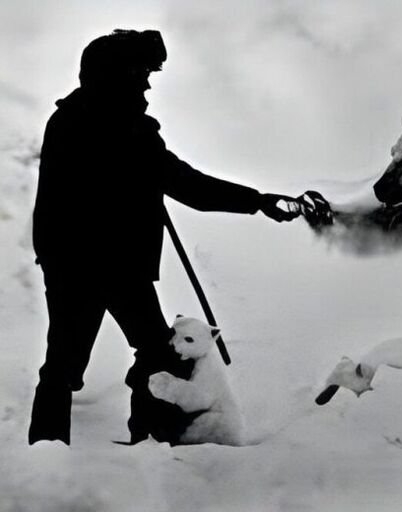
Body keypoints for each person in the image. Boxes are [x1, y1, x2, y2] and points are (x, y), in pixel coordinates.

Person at [29, 29, 330, 445]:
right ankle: (95, 450)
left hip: (96, 265)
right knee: (96, 361)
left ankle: (123, 445)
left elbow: (175, 181)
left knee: (115, 359)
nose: (149, 84)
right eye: (144, 73)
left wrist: (257, 201)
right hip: (93, 267)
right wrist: (259, 202)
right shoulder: (113, 124)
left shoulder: (92, 119)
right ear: (120, 74)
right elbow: (187, 185)